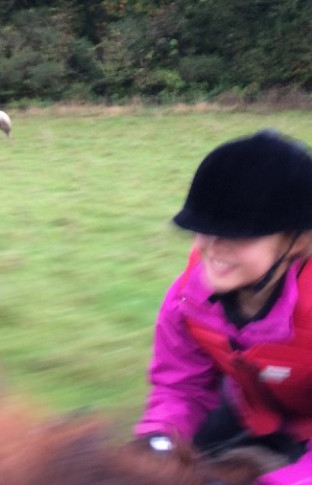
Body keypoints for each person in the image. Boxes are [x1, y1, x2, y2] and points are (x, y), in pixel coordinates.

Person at [134, 130, 312, 485]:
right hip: (250, 408)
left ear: (298, 240)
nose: (212, 247)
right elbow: (180, 387)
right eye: (204, 230)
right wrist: (159, 442)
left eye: (237, 234)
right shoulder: (187, 299)